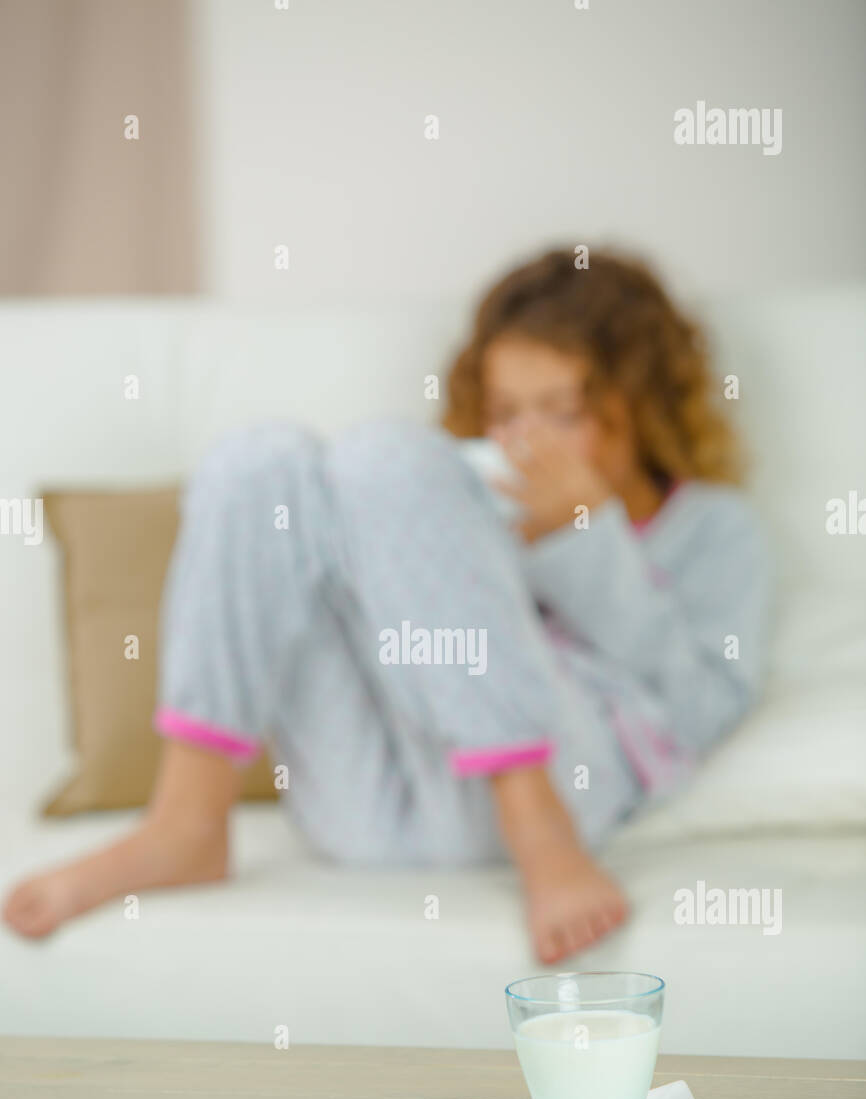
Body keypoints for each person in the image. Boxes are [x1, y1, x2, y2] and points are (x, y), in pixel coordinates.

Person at [2, 248, 770, 962]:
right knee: (259, 460)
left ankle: (536, 824)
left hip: (562, 797)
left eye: (560, 412)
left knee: (385, 453)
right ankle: (187, 820)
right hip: (367, 803)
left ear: (641, 407)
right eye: (506, 413)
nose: (527, 440)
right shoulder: (462, 503)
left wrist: (586, 538)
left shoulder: (714, 527)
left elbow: (701, 705)